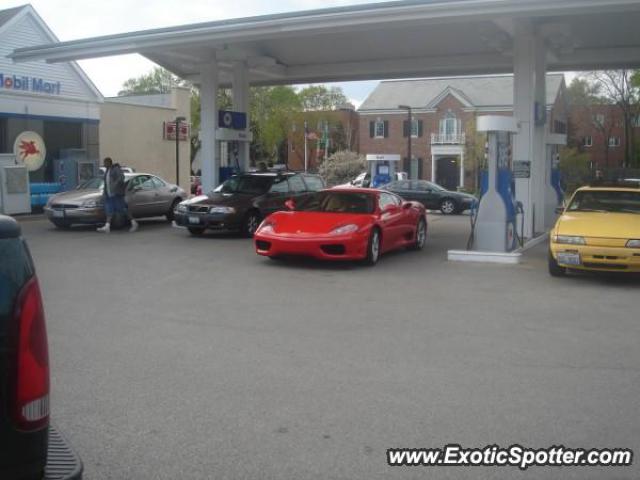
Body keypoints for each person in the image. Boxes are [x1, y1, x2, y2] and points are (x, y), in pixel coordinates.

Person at [97, 157, 138, 233]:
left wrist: (115, 185)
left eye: (105, 162)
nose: (104, 164)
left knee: (123, 209)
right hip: (109, 195)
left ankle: (134, 223)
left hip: (116, 194)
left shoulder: (115, 169)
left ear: (109, 162)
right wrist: (104, 193)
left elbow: (121, 177)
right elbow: (106, 184)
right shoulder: (107, 171)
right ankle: (107, 226)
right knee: (109, 211)